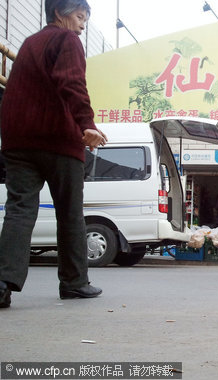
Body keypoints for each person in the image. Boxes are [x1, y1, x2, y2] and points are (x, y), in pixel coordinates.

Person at [0, 0, 107, 309]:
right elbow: (72, 82)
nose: (82, 25)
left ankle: (3, 283)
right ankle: (74, 283)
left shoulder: (29, 43)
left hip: (18, 142)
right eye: (78, 16)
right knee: (69, 212)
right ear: (60, 13)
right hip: (58, 140)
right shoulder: (66, 39)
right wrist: (86, 124)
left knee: (20, 209)